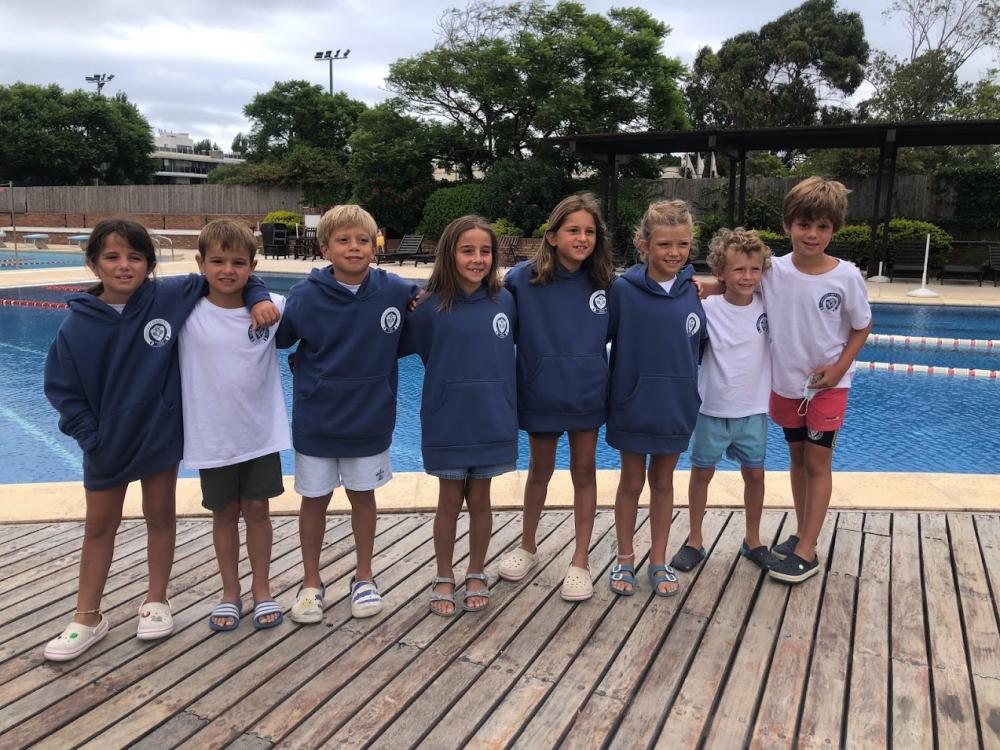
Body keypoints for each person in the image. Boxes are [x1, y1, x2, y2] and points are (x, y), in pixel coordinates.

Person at [43, 218, 276, 661]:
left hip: (158, 435)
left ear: (150, 265)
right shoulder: (76, 326)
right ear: (93, 265)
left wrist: (259, 296)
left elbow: (230, 272)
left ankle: (156, 600)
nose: (124, 266)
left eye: (135, 257)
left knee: (161, 517)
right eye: (112, 257)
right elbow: (62, 389)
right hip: (106, 444)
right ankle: (86, 616)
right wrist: (90, 436)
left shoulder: (168, 296)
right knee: (99, 526)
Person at [277, 205, 415, 622]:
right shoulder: (304, 296)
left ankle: (365, 577)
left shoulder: (395, 291)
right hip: (317, 421)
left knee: (363, 498)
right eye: (343, 240)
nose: (353, 247)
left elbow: (428, 302)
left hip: (370, 419)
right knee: (314, 501)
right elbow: (280, 339)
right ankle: (311, 583)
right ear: (325, 248)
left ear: (374, 246)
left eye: (362, 240)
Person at [497, 193, 615, 601]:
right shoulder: (522, 280)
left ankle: (580, 560)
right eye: (573, 230)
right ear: (552, 236)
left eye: (589, 231)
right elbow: (486, 311)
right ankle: (527, 545)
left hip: (587, 393)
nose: (582, 238)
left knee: (585, 472)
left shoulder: (606, 284)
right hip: (540, 391)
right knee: (539, 471)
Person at [399, 215, 518, 617]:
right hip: (447, 419)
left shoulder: (506, 301)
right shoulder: (428, 308)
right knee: (449, 501)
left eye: (485, 251)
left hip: (492, 417)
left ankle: (476, 570)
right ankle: (444, 574)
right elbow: (386, 343)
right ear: (449, 254)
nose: (477, 259)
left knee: (481, 500)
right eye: (467, 251)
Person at [179, 219, 290, 631]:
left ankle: (262, 589)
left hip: (259, 433)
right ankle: (230, 592)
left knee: (258, 510)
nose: (228, 270)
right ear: (201, 263)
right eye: (218, 261)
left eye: (239, 263)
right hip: (212, 435)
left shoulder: (273, 308)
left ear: (253, 267)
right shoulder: (186, 311)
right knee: (223, 513)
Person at [763, 177, 872, 583]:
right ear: (788, 225)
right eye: (804, 224)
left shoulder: (846, 277)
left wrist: (840, 368)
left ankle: (806, 550)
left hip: (828, 386)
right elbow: (737, 283)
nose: (812, 234)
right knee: (796, 459)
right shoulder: (772, 270)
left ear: (834, 229)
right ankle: (801, 532)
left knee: (817, 461)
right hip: (786, 385)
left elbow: (862, 325)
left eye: (822, 226)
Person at [606, 200, 706, 598]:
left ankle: (658, 560)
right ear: (644, 245)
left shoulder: (693, 293)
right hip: (632, 404)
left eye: (682, 244)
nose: (674, 252)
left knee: (663, 482)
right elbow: (594, 339)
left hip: (676, 406)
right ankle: (625, 558)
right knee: (631, 482)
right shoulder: (622, 291)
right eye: (664, 244)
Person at [670, 227, 778, 574]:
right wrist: (709, 287)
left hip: (753, 410)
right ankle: (695, 539)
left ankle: (753, 540)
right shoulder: (707, 308)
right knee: (701, 473)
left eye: (754, 269)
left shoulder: (768, 306)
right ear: (720, 271)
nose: (747, 276)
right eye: (738, 269)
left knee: (755, 475)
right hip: (712, 408)